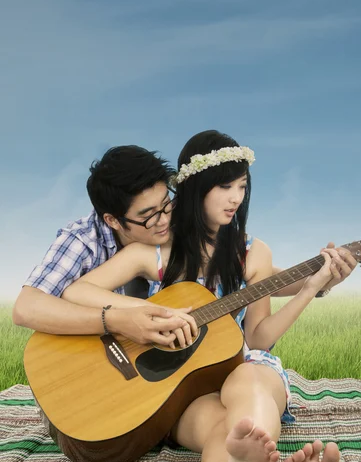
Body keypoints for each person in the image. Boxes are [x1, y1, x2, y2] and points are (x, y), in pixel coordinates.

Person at [60, 130, 357, 462]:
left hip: (240, 365)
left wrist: (309, 289)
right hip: (180, 387)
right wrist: (149, 310)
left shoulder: (255, 254)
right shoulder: (156, 253)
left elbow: (257, 339)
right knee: (219, 427)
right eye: (224, 186)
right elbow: (77, 290)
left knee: (251, 382)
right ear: (196, 187)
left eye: (241, 187)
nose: (235, 197)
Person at [13, 143, 343, 346]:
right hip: (87, 364)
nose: (163, 220)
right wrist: (121, 318)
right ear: (112, 219)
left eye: (166, 204)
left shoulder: (170, 232)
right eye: (147, 216)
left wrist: (319, 281)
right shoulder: (83, 241)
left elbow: (246, 274)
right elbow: (26, 308)